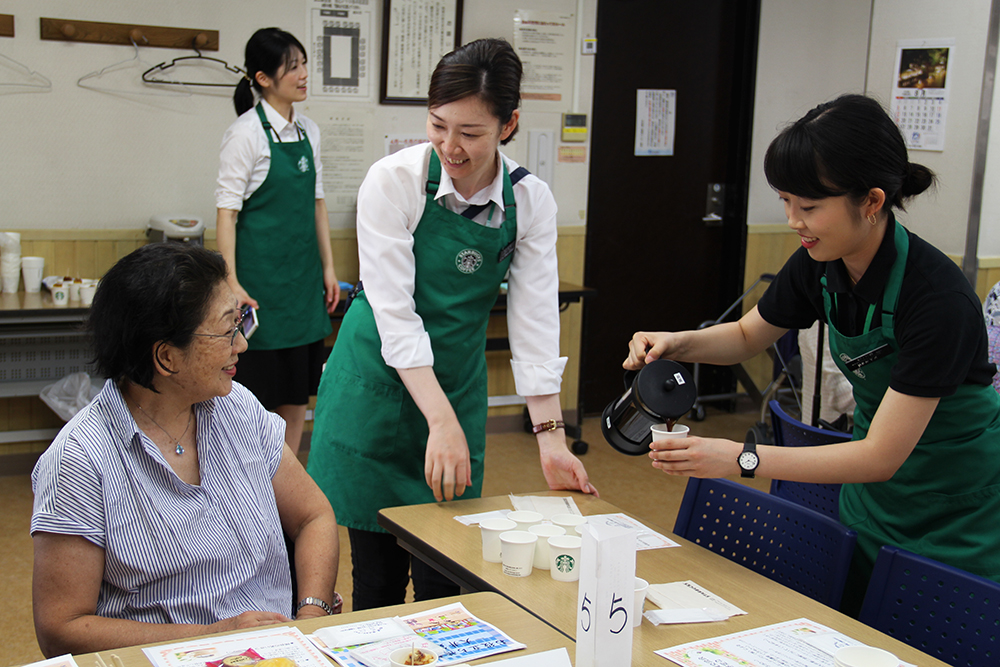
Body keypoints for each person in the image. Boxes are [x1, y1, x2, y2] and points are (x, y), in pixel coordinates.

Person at [624, 94, 1000, 610]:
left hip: (956, 509)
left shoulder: (938, 298)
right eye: (785, 202)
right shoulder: (819, 261)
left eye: (809, 207)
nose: (793, 221)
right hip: (872, 499)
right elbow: (744, 337)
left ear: (871, 201)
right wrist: (676, 342)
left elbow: (882, 455)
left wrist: (740, 457)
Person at [307, 38, 596, 610]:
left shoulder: (529, 202)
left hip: (456, 381)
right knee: (378, 579)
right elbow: (394, 311)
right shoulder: (394, 181)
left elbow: (535, 318)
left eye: (471, 132)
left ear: (508, 124)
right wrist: (437, 419)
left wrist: (551, 439)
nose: (451, 147)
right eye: (439, 126)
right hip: (378, 380)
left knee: (448, 575)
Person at [31, 244, 341, 657]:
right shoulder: (81, 460)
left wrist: (311, 618)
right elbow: (62, 628)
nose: (241, 345)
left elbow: (313, 516)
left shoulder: (237, 408)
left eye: (240, 324)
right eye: (228, 329)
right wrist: (214, 634)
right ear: (167, 357)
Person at [215, 27, 340, 454]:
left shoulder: (310, 131)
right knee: (254, 394)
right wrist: (230, 281)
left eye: (304, 64)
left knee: (296, 392)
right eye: (293, 67)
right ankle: (248, 484)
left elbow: (317, 205)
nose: (304, 74)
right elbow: (226, 214)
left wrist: (328, 269)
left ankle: (286, 487)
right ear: (264, 78)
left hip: (302, 286)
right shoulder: (246, 134)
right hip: (259, 289)